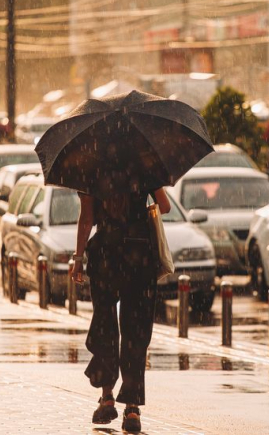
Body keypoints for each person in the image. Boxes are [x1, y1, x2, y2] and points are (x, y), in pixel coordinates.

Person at [72, 182, 171, 433]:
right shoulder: (144, 159)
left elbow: (87, 218)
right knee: (135, 332)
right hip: (140, 254)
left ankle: (107, 397)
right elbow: (166, 206)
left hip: (105, 254)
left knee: (105, 325)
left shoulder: (91, 168)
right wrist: (138, 209)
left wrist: (78, 258)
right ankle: (133, 408)